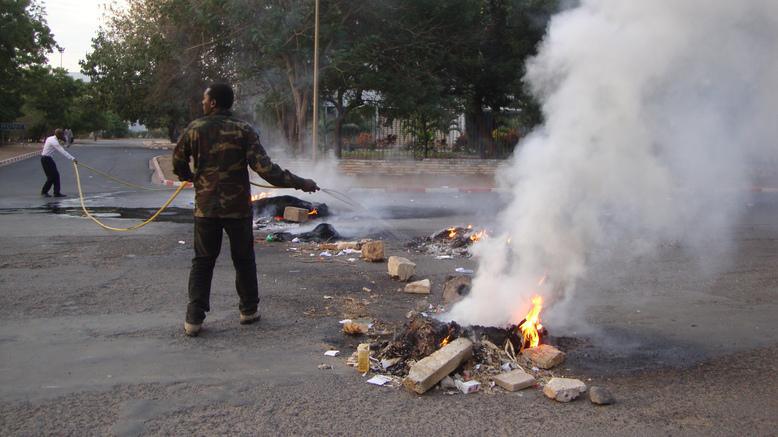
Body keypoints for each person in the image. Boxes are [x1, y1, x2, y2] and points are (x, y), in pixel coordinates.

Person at [173, 83, 319, 337]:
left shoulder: (194, 129)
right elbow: (267, 170)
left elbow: (178, 162)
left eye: (205, 99)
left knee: (203, 261)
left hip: (206, 208)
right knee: (243, 260)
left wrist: (192, 177)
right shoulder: (244, 130)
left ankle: (194, 319)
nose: (202, 103)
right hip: (238, 209)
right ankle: (248, 310)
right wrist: (301, 183)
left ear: (214, 103)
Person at [40, 128, 77, 197]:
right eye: (62, 135)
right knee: (51, 177)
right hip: (46, 159)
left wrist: (64, 141)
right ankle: (44, 192)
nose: (62, 136)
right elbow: (62, 151)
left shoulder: (50, 138)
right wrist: (73, 159)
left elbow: (63, 141)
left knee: (56, 175)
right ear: (58, 135)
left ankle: (56, 192)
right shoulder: (54, 142)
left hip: (48, 158)